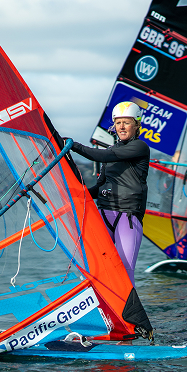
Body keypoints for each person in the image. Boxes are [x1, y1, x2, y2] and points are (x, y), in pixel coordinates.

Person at [67, 101, 150, 285]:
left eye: (126, 122)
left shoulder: (139, 148)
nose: (121, 126)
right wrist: (78, 194)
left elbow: (103, 156)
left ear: (136, 125)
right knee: (98, 269)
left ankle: (126, 314)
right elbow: (101, 187)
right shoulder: (110, 152)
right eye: (118, 122)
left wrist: (75, 146)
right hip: (104, 215)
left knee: (124, 271)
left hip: (127, 217)